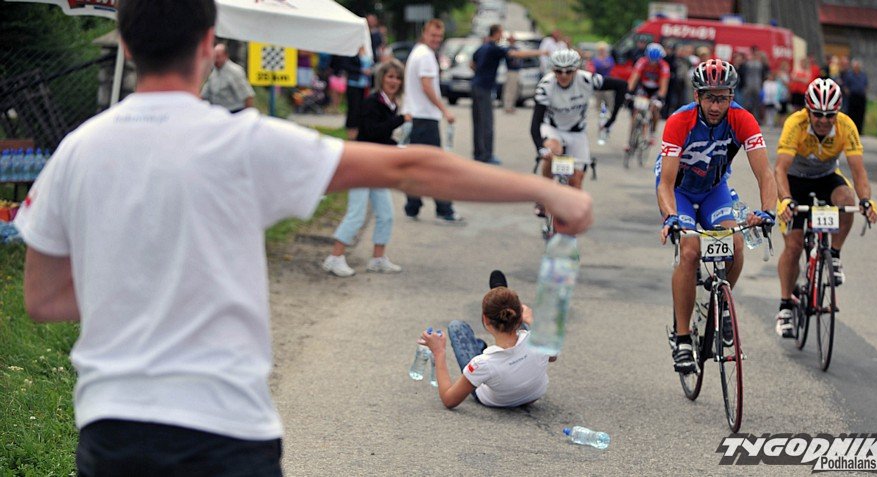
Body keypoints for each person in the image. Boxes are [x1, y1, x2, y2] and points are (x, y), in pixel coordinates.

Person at [13, 1, 594, 474]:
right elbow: (407, 167)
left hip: (112, 428)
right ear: (210, 43)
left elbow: (43, 299)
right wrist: (546, 191)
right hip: (224, 429)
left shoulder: (76, 151)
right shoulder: (241, 141)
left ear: (125, 40)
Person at [657, 59, 777, 374]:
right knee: (690, 251)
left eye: (722, 98)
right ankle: (683, 337)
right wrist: (670, 217)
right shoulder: (679, 121)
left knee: (735, 244)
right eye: (709, 97)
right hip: (680, 193)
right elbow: (665, 184)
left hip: (714, 190)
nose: (715, 106)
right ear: (697, 95)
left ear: (731, 96)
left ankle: (721, 302)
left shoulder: (742, 119)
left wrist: (767, 211)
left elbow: (765, 173)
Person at [772, 78, 877, 337]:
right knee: (794, 246)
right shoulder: (795, 123)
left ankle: (834, 255)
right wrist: (785, 199)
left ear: (837, 113)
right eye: (817, 114)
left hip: (826, 177)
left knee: (847, 201)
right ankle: (785, 306)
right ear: (808, 111)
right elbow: (780, 169)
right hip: (794, 181)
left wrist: (866, 200)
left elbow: (858, 171)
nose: (823, 120)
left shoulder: (846, 126)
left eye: (830, 115)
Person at [419, 270, 555, 408]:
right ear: (521, 316)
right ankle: (503, 298)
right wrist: (533, 322)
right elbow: (552, 357)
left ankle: (499, 300)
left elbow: (449, 400)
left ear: (485, 319)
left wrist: (438, 352)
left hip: (497, 398)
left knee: (456, 326)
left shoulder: (482, 364)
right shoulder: (541, 340)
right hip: (534, 394)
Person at [323, 59, 408, 277]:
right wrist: (400, 120)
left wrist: (399, 148)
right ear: (382, 79)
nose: (394, 81)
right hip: (361, 165)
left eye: (398, 78)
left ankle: (378, 258)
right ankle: (335, 257)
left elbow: (382, 138)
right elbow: (371, 132)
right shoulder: (372, 102)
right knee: (357, 213)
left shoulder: (392, 105)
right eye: (390, 76)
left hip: (377, 166)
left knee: (386, 214)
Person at [531, 49, 626, 193]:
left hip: (577, 132)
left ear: (576, 70)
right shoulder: (545, 86)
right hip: (553, 128)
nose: (563, 75)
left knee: (576, 183)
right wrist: (540, 148)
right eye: (558, 71)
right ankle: (545, 191)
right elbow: (535, 122)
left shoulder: (587, 79)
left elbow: (621, 85)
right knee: (554, 150)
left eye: (568, 71)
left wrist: (612, 118)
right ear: (553, 70)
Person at [401, 19, 463, 224]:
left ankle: (412, 207)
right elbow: (426, 86)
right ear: (424, 33)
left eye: (439, 36)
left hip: (415, 116)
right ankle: (444, 210)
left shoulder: (417, 52)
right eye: (433, 35)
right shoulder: (426, 56)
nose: (436, 39)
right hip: (425, 118)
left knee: (416, 166)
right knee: (437, 167)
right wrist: (445, 110)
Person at [471, 24, 542, 164]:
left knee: (477, 122)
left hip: (475, 85)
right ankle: (487, 155)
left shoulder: (482, 47)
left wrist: (481, 72)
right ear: (496, 33)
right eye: (501, 33)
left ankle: (478, 153)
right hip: (485, 88)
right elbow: (515, 54)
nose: (502, 35)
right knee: (487, 123)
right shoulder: (494, 48)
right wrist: (540, 53)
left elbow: (472, 64)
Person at [625, 42, 670, 142]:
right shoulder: (642, 62)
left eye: (655, 61)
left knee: (655, 109)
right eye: (650, 60)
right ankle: (630, 139)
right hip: (643, 87)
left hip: (656, 90)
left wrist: (660, 97)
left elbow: (664, 85)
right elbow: (634, 78)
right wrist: (629, 91)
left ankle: (653, 132)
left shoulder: (664, 66)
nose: (653, 64)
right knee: (636, 110)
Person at [200, 43, 254, 113]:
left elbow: (247, 96)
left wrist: (248, 115)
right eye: (214, 57)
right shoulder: (213, 72)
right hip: (217, 111)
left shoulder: (235, 72)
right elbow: (204, 94)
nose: (216, 60)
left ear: (225, 56)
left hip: (234, 112)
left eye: (218, 57)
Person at [340, 48, 374, 141]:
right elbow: (346, 66)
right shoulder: (351, 51)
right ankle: (351, 132)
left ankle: (360, 131)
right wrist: (361, 70)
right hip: (353, 83)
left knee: (362, 108)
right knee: (353, 109)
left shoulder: (368, 50)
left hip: (365, 84)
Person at [843, 59, 868, 132]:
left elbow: (866, 85)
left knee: (860, 114)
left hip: (861, 97)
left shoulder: (863, 75)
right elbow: (846, 86)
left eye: (857, 66)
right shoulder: (849, 75)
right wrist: (848, 93)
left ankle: (859, 130)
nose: (856, 67)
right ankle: (851, 129)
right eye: (855, 66)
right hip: (852, 96)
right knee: (852, 114)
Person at [502, 32, 522, 114]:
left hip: (516, 71)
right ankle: (507, 106)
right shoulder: (508, 49)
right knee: (509, 89)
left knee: (515, 90)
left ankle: (512, 105)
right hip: (511, 70)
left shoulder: (516, 48)